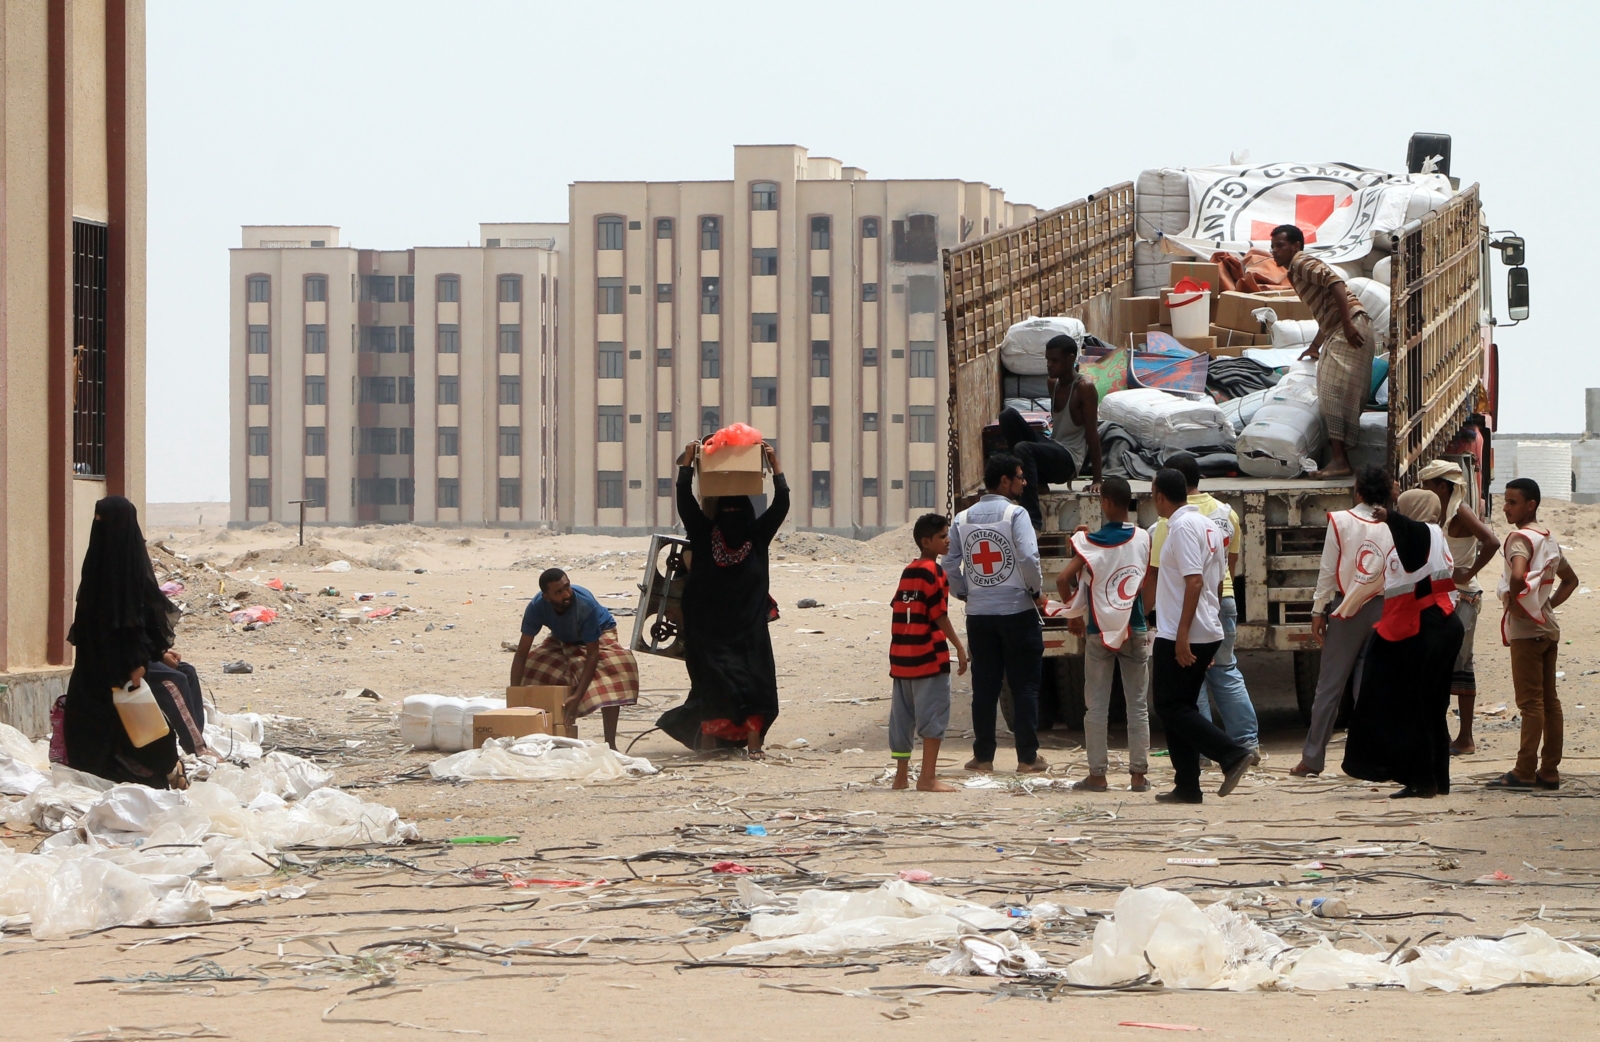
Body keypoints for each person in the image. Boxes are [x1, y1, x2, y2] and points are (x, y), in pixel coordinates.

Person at [656, 440, 789, 757]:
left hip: (727, 632)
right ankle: (720, 742)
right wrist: (775, 469)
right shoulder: (747, 535)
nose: (732, 516)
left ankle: (728, 742)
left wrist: (775, 467)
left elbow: (686, 501)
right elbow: (780, 503)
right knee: (728, 686)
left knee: (729, 687)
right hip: (723, 632)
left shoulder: (711, 535)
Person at [1341, 489, 1464, 798]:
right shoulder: (1437, 534)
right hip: (1445, 623)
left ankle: (1421, 780)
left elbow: (1413, 540)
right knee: (1433, 707)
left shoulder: (1419, 535)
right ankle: (1437, 779)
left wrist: (1392, 518)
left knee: (1414, 708)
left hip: (1420, 626)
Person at [62, 496, 189, 788]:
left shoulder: (124, 573)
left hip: (118, 672)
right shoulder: (101, 569)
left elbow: (134, 623)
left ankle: (170, 770)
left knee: (137, 732)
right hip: (101, 672)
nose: (99, 526)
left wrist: (140, 662)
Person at [1147, 468, 1252, 804]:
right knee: (1181, 706)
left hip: (1184, 629)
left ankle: (1232, 753)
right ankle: (1187, 785)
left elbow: (1193, 581)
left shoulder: (1179, 528)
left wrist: (1181, 635)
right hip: (1205, 625)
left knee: (1169, 705)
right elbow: (1217, 577)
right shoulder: (1209, 524)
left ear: (1161, 496)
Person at [943, 453, 1049, 774]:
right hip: (1018, 611)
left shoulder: (961, 519)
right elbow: (1029, 557)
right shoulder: (1016, 515)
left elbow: (948, 563)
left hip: (979, 616)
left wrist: (963, 591)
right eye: (1020, 476)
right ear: (1005, 481)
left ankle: (983, 757)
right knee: (1025, 687)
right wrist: (1035, 591)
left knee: (985, 688)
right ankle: (1027, 758)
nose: (1024, 482)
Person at [1292, 465, 1394, 777]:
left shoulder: (1341, 521)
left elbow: (1327, 571)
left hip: (1347, 606)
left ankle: (1312, 758)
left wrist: (1318, 610)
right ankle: (1371, 757)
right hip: (1384, 606)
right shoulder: (1393, 525)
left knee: (1329, 687)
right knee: (1370, 687)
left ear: (1359, 491)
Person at [1056, 476, 1151, 793]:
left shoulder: (1090, 542)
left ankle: (1098, 775)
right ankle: (1138, 775)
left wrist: (1073, 614)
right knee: (1137, 705)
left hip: (1098, 630)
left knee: (1096, 707)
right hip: (1133, 627)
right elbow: (1145, 583)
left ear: (1106, 503)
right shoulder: (1143, 538)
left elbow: (1063, 578)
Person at [1489, 478, 1580, 790]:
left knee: (1530, 703)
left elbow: (1517, 574)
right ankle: (1549, 770)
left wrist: (1518, 602)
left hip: (1527, 632)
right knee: (1549, 701)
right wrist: (1545, 605)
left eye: (1512, 502)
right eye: (1505, 501)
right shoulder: (1548, 539)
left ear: (1531, 505)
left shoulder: (1518, 538)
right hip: (1548, 629)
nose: (1505, 507)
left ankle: (1524, 769)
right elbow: (1570, 579)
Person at [1270, 224, 1374, 479]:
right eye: (1272, 247)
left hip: (1348, 326)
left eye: (1280, 246)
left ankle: (1340, 461)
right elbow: (1326, 312)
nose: (1275, 252)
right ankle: (1340, 458)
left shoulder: (1301, 262)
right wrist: (1315, 346)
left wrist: (1347, 324)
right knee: (1342, 394)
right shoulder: (1297, 270)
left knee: (1329, 391)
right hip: (1345, 325)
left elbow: (1336, 283)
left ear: (1295, 246)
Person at [1417, 459, 1501, 756]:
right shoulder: (1439, 512)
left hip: (1463, 596)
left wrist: (1467, 571)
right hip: (1445, 595)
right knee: (1443, 665)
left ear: (1442, 486)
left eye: (1428, 485)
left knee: (1460, 665)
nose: (1424, 490)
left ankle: (1465, 738)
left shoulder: (1459, 511)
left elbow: (1491, 541)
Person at [511, 567, 640, 749]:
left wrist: (578, 696)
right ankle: (545, 735)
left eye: (567, 586)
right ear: (547, 597)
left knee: (612, 670)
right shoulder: (536, 607)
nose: (566, 594)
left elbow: (593, 654)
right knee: (532, 667)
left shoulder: (584, 605)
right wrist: (515, 694)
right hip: (562, 636)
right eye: (559, 592)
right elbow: (522, 652)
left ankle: (610, 743)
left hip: (599, 633)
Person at [889, 514, 969, 792]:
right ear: (926, 542)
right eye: (942, 537)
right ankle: (927, 777)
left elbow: (899, 606)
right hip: (929, 657)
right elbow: (939, 616)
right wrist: (959, 647)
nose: (948, 541)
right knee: (933, 717)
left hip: (901, 657)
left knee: (902, 719)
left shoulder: (908, 571)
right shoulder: (935, 573)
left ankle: (900, 778)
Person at [995, 334, 1103, 529]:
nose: (1049, 365)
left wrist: (1097, 479)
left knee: (1023, 448)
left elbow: (1092, 434)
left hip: (1068, 460)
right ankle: (1038, 481)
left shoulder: (1084, 388)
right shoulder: (1052, 383)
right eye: (1047, 360)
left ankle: (1033, 521)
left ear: (1070, 359)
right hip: (1053, 448)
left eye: (1054, 361)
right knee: (1007, 416)